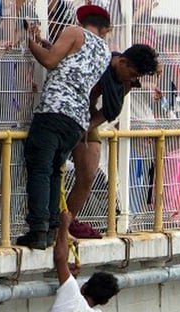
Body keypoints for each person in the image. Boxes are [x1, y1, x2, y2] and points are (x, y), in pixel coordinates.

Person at [15, 4, 111, 250]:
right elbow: (72, 64)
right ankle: (50, 230)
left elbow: (50, 61)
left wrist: (30, 42)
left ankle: (37, 229)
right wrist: (48, 44)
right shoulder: (104, 51)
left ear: (81, 20)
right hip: (78, 121)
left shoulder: (73, 32)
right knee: (55, 172)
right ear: (105, 29)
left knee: (39, 168)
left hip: (54, 109)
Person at [65, 44, 160, 238]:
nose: (133, 80)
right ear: (122, 62)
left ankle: (66, 223)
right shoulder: (98, 61)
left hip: (86, 115)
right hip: (65, 109)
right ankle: (50, 222)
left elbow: (109, 111)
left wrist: (87, 127)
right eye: (132, 74)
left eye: (137, 77)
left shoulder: (126, 83)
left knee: (89, 172)